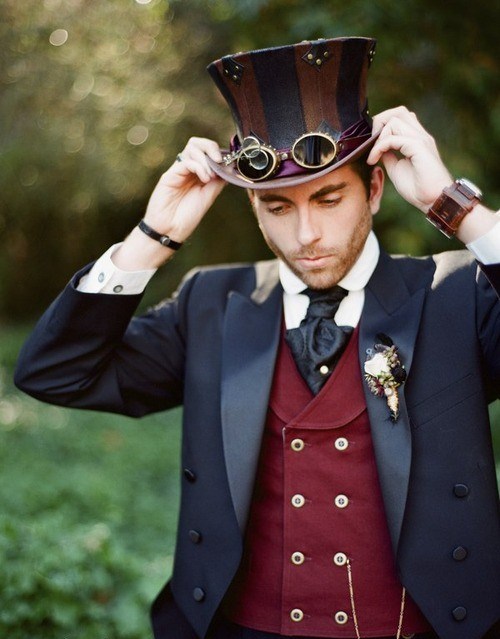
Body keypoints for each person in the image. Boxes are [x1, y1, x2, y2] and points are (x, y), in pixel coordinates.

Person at [14, 37, 500, 639]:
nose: (306, 234)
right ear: (252, 208)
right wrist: (153, 235)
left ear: (374, 190)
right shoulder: (212, 303)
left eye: (329, 198)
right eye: (276, 207)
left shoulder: (455, 294)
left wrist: (450, 204)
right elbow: (55, 371)